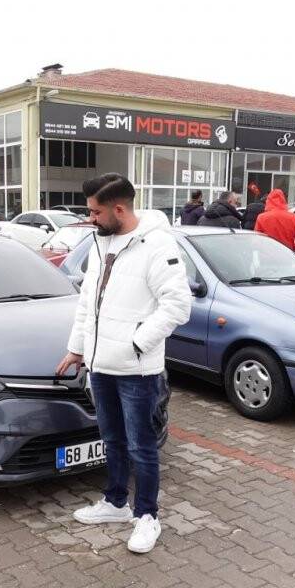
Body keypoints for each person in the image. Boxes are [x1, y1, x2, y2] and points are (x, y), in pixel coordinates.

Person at [57, 173, 191, 554]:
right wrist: (77, 349)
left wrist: (136, 343)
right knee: (112, 440)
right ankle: (116, 502)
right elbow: (88, 302)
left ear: (119, 209)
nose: (91, 219)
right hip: (101, 368)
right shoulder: (101, 243)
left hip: (137, 371)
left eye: (95, 212)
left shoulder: (156, 245)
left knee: (141, 447)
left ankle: (147, 516)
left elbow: (178, 305)